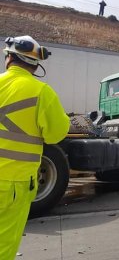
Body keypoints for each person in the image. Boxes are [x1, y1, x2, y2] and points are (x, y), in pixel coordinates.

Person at [0, 36, 70, 259]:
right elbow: (56, 134)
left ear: (8, 58)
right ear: (35, 64)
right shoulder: (41, 92)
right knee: (4, 245)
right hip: (13, 184)